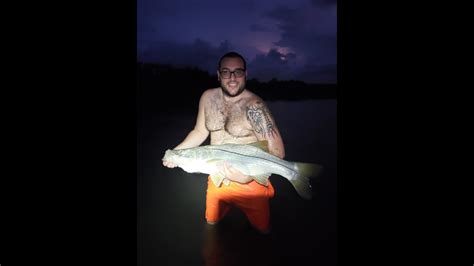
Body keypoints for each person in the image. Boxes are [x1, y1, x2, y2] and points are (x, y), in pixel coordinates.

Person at [162, 51, 285, 234]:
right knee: (212, 225)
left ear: (246, 75)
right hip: (216, 178)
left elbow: (277, 153)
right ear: (219, 75)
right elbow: (199, 131)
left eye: (238, 72)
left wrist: (248, 176)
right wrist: (175, 153)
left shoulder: (255, 107)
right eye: (226, 72)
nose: (232, 78)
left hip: (251, 186)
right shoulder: (207, 98)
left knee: (262, 231)